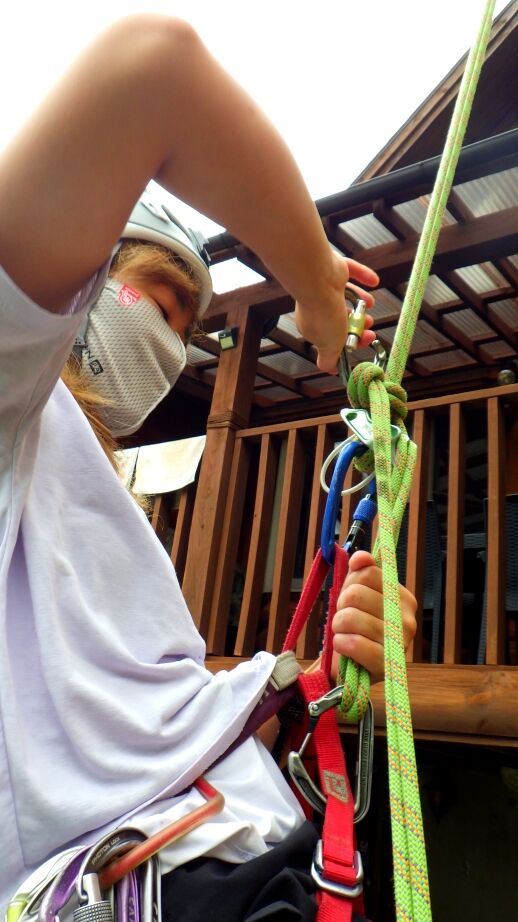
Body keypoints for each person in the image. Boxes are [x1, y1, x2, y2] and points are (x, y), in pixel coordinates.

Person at [0, 15, 417, 921]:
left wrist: (316, 671)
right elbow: (152, 74)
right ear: (91, 270)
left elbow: (134, 718)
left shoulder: (75, 485)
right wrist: (314, 286)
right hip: (154, 879)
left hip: (264, 854)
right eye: (164, 303)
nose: (169, 345)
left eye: (186, 331)